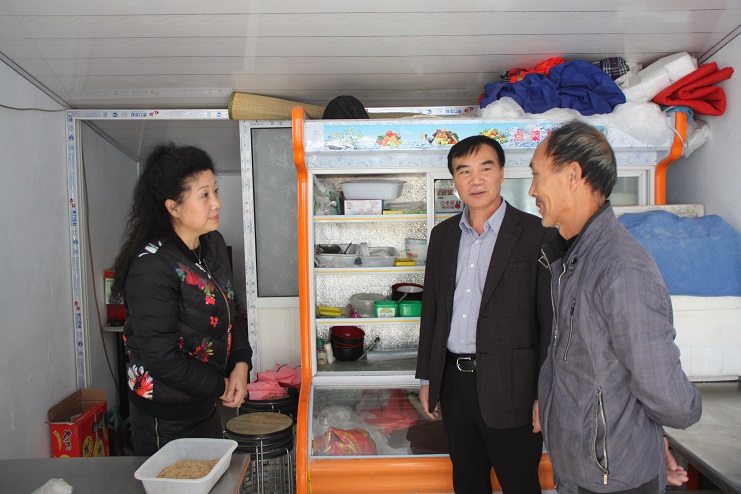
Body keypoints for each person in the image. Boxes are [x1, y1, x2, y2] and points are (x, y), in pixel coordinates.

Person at [529, 121, 701, 494]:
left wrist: (648, 435)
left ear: (572, 175)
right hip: (583, 470)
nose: (532, 190)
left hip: (615, 477)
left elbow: (667, 394)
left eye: (537, 175)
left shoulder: (621, 268)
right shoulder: (572, 257)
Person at [416, 135, 554, 493]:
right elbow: (432, 311)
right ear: (454, 180)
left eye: (485, 168)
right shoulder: (443, 236)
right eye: (464, 171)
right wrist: (428, 379)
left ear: (502, 173)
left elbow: (551, 322)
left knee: (520, 483)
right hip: (454, 383)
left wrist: (545, 392)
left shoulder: (537, 234)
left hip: (514, 386)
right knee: (467, 481)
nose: (475, 180)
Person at [111, 143, 253, 455]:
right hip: (165, 417)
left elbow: (231, 308)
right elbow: (162, 358)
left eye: (216, 190)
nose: (216, 202)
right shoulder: (151, 265)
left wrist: (241, 363)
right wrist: (220, 385)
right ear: (173, 207)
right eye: (204, 195)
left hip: (205, 405)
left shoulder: (213, 244)